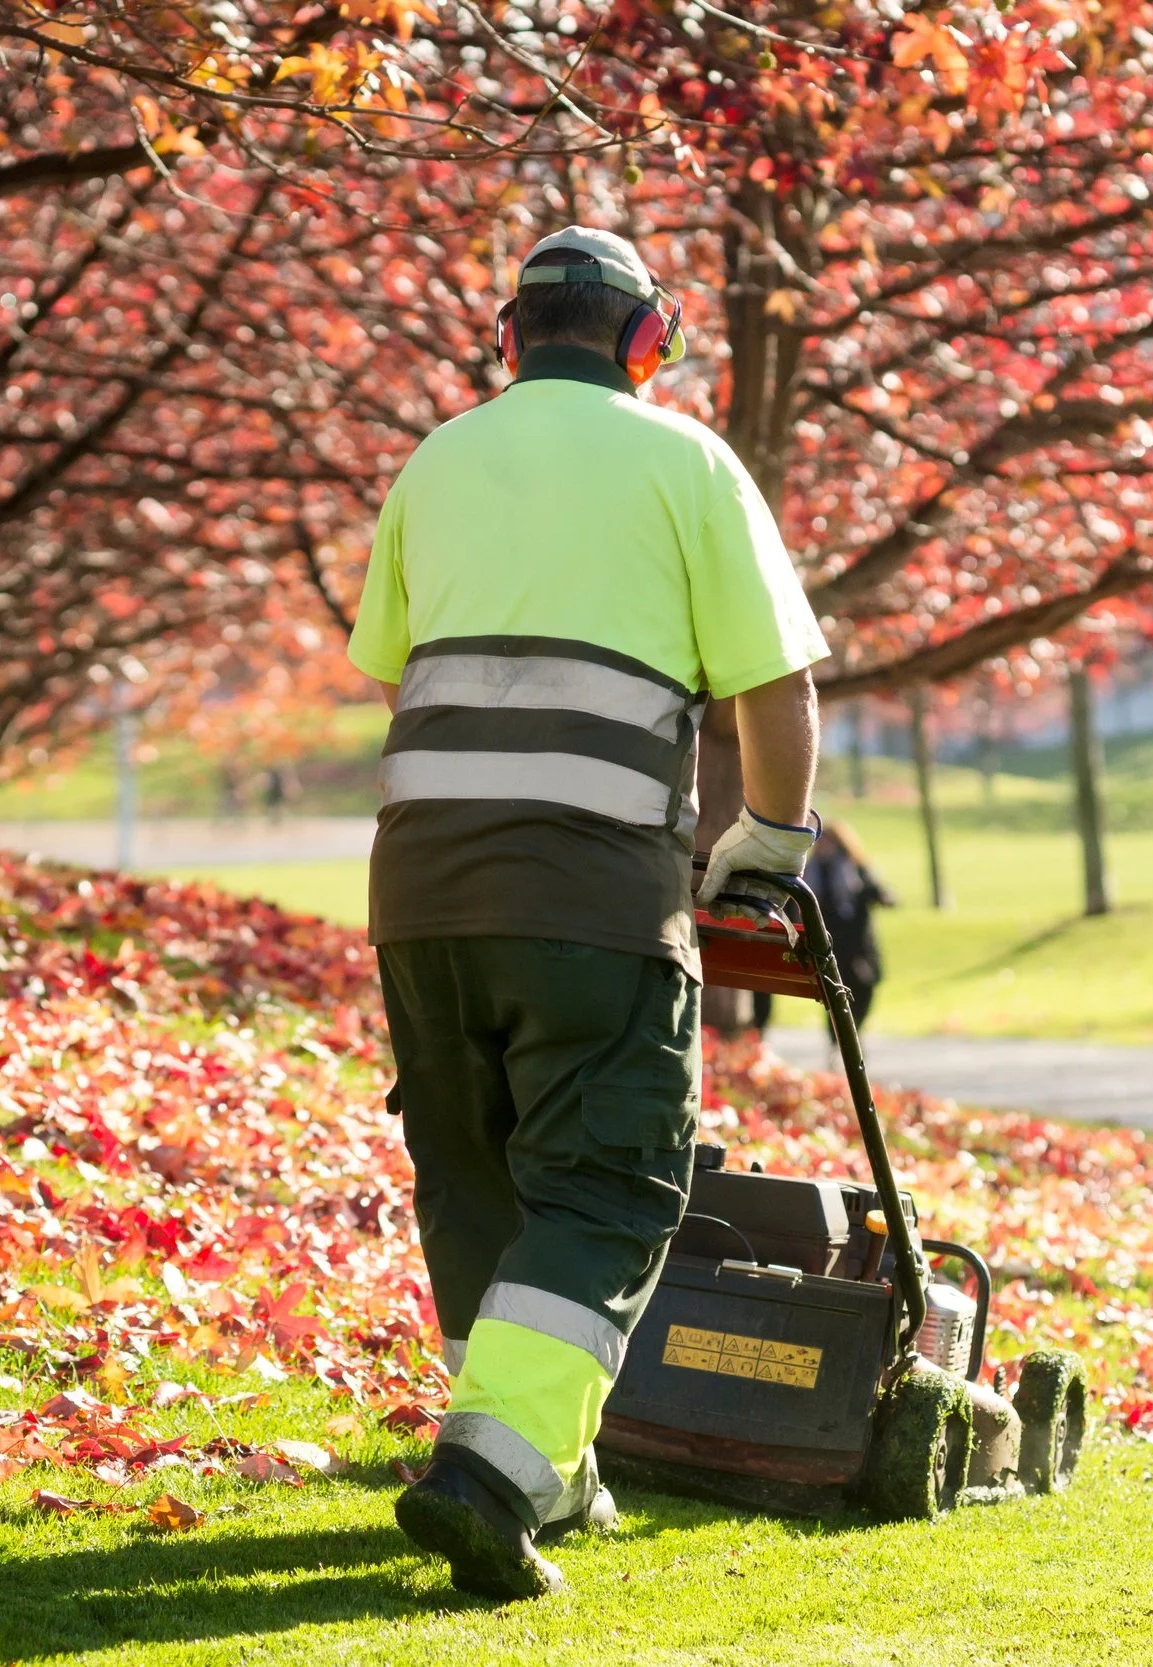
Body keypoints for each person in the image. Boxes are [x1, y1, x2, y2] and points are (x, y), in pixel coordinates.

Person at [347, 226, 827, 1599]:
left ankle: (539, 1462)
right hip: (592, 894)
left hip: (421, 893)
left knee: (476, 1172)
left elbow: (402, 673)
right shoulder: (686, 461)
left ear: (513, 340)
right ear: (644, 341)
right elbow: (777, 689)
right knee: (610, 1182)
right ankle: (491, 1472)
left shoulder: (438, 459)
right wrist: (773, 840)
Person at [748, 821, 898, 1032]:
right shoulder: (808, 872)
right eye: (823, 841)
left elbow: (875, 890)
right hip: (823, 942)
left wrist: (884, 897)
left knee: (862, 989)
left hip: (855, 946)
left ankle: (848, 1036)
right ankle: (836, 1041)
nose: (825, 846)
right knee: (833, 993)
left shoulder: (855, 869)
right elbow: (792, 905)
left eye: (831, 841)